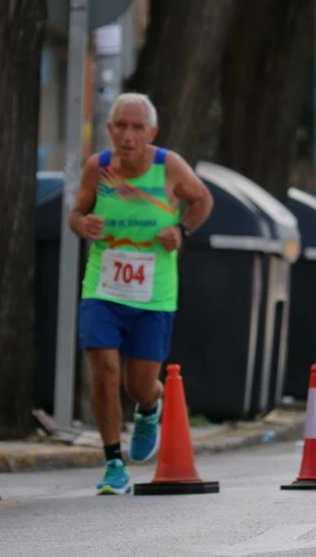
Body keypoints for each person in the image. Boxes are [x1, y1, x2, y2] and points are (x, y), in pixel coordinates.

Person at [69, 93, 214, 495]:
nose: (128, 135)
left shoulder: (169, 167)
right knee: (104, 368)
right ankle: (114, 462)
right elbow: (77, 212)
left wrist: (180, 231)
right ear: (110, 129)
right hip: (103, 285)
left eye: (137, 128)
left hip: (154, 292)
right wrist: (82, 224)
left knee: (139, 383)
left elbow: (202, 199)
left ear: (151, 132)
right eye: (121, 126)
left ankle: (150, 408)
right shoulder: (97, 168)